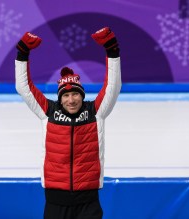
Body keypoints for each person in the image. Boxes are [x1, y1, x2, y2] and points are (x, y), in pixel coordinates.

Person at [15, 27, 121, 219]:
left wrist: (111, 51)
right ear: (59, 98)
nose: (71, 100)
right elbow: (24, 88)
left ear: (82, 96)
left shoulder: (95, 112)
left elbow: (112, 87)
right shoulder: (48, 112)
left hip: (88, 199)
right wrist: (23, 53)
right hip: (56, 200)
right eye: (66, 95)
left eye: (75, 94)